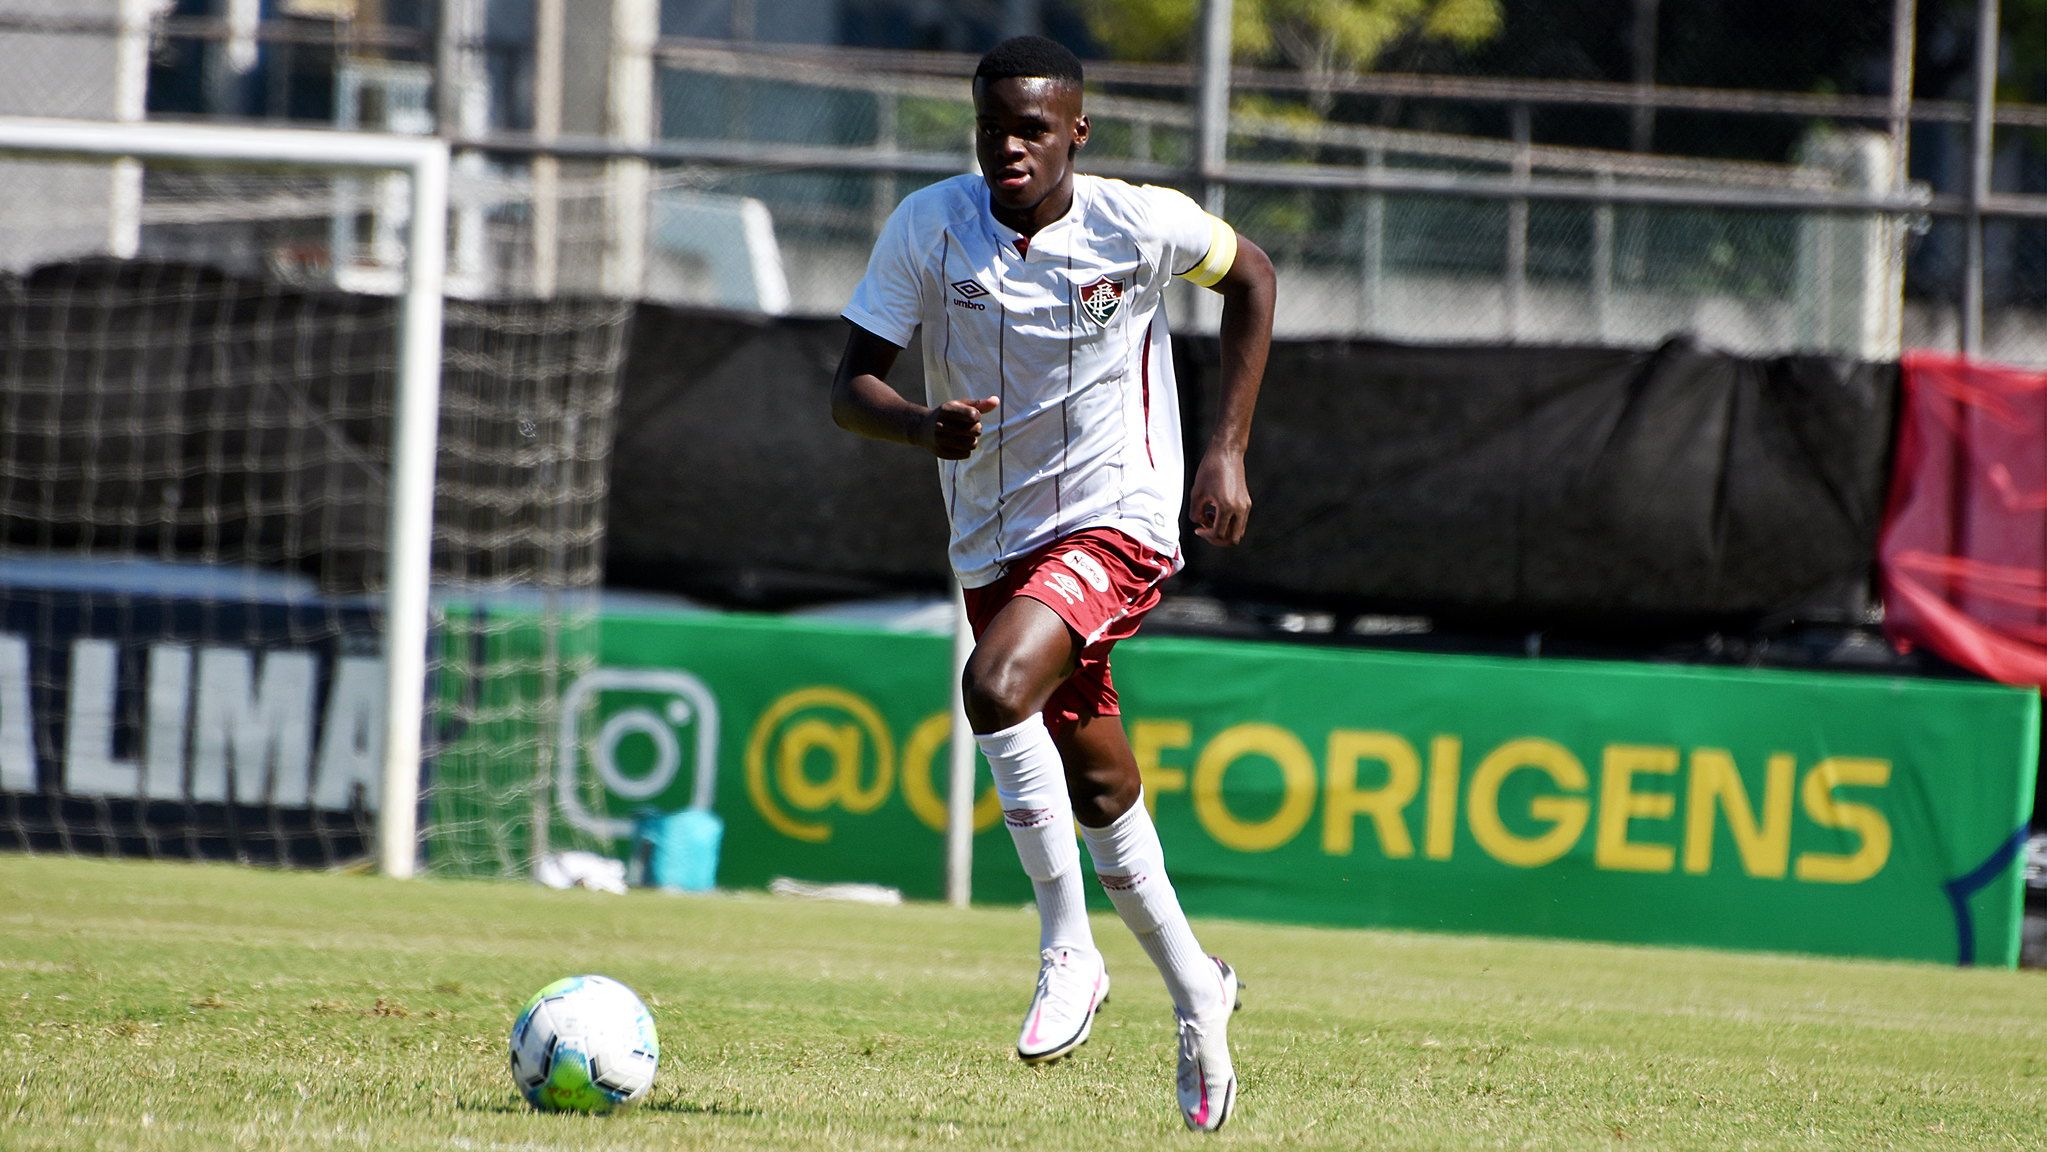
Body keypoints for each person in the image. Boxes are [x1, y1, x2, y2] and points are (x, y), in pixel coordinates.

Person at [830, 34, 1275, 1133]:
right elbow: (849, 387)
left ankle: (1065, 943)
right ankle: (1196, 990)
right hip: (992, 539)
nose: (1009, 147)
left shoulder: (1139, 224)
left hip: (1118, 520)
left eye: (1033, 128)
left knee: (993, 688)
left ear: (1077, 129)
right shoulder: (930, 227)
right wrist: (918, 427)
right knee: (1099, 786)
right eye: (993, 127)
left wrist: (1226, 447)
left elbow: (1254, 277)